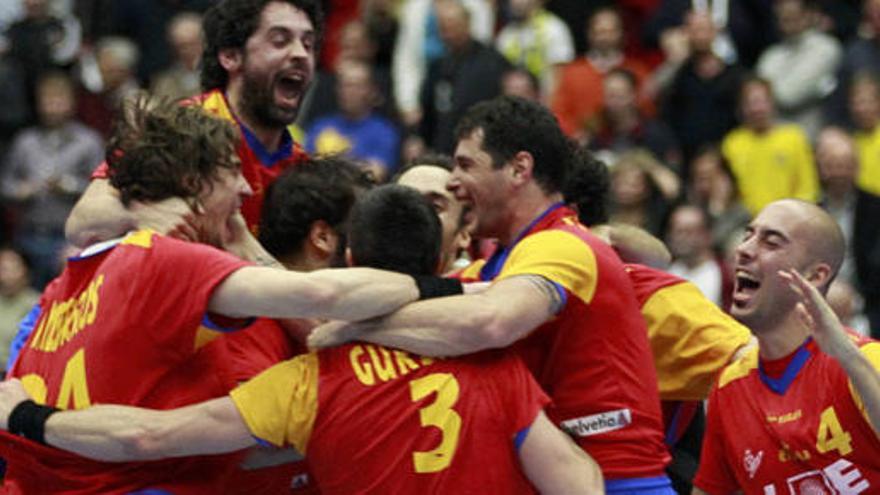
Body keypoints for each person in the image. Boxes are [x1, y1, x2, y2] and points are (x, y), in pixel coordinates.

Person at [0, 184, 605, 495]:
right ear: (446, 261)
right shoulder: (499, 370)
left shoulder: (303, 385)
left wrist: (27, 416)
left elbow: (147, 435)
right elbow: (577, 483)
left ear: (346, 257)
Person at [0, 98, 442, 494]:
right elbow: (321, 295)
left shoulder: (68, 281)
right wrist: (451, 289)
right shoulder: (167, 259)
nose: (248, 189)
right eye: (234, 170)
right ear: (197, 180)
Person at [310, 96, 674, 494]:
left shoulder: (563, 245)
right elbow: (417, 304)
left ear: (519, 169)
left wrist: (354, 328)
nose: (452, 182)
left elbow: (490, 322)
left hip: (621, 484)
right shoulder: (496, 267)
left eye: (466, 165)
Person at [64, 0, 322, 247]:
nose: (301, 53)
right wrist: (143, 214)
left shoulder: (302, 167)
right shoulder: (177, 130)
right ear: (231, 56)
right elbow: (81, 221)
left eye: (309, 44)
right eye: (280, 41)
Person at [692, 199, 880, 494]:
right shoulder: (729, 387)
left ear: (815, 276)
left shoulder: (864, 362)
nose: (743, 249)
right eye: (747, 235)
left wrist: (847, 357)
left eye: (771, 243)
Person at [394, 154, 473, 275]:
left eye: (434, 207)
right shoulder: (358, 277)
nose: (415, 215)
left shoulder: (490, 287)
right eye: (403, 205)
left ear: (464, 233)